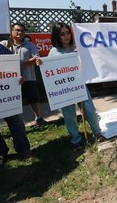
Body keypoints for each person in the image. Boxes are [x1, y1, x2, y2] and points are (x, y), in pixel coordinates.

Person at [37, 22, 105, 151]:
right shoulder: (53, 52)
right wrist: (41, 63)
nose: (66, 36)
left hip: (79, 85)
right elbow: (49, 69)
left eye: (67, 33)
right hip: (64, 89)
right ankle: (76, 140)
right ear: (57, 36)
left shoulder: (78, 47)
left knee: (89, 109)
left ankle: (97, 133)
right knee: (69, 115)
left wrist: (79, 54)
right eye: (62, 34)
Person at [0, 36, 31, 170]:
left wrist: (18, 79)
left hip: (7, 95)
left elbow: (15, 69)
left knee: (16, 122)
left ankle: (23, 149)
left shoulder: (1, 49)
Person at [0, 23, 47, 126]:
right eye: (17, 30)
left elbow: (36, 57)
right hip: (10, 80)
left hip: (29, 77)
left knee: (33, 98)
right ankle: (16, 123)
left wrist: (22, 64)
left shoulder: (30, 45)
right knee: (13, 100)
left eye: (22, 31)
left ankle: (38, 118)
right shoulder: (3, 44)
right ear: (11, 31)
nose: (20, 32)